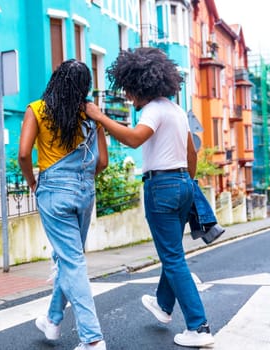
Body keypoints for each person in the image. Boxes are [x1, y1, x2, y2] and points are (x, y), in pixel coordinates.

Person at [85, 47, 215, 348]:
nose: (129, 97)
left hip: (162, 186)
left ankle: (199, 326)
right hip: (183, 182)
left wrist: (100, 116)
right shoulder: (176, 110)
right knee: (173, 252)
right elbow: (191, 154)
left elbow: (133, 140)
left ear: (141, 84)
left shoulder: (152, 111)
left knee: (172, 257)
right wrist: (187, 185)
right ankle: (163, 305)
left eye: (129, 90)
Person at [18, 59, 108, 350]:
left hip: (54, 191)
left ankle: (92, 339)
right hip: (85, 191)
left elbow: (22, 154)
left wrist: (33, 182)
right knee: (69, 259)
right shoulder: (92, 114)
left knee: (71, 262)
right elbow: (102, 162)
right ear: (85, 87)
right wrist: (80, 178)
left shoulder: (38, 109)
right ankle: (53, 321)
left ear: (55, 79)